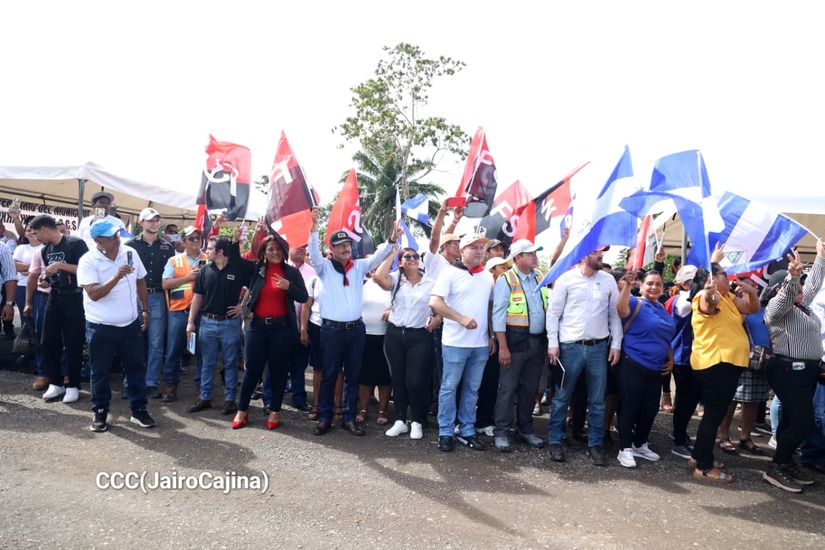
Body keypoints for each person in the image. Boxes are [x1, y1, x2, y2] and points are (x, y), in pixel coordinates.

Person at [307, 208, 398, 436]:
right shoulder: (324, 267)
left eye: (348, 244)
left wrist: (391, 240)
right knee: (329, 374)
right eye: (340, 245)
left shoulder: (359, 266)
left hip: (356, 330)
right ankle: (325, 417)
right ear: (332, 249)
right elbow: (314, 253)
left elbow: (378, 256)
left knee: (353, 375)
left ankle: (349, 418)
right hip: (332, 331)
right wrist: (314, 227)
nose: (346, 248)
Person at [545, 248, 622, 466]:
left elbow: (614, 314)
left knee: (597, 400)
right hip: (569, 347)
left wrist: (616, 344)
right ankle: (555, 440)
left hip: (598, 348)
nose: (601, 256)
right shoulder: (566, 279)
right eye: (596, 252)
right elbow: (553, 313)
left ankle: (595, 444)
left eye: (602, 253)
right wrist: (553, 343)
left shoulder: (608, 280)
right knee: (562, 397)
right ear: (583, 255)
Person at [77, 219, 155, 431]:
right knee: (99, 371)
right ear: (97, 240)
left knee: (136, 369)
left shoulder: (129, 252)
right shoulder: (88, 261)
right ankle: (100, 411)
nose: (116, 239)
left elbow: (140, 280)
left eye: (117, 234)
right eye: (111, 237)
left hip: (130, 324)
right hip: (101, 326)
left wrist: (145, 309)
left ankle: (139, 410)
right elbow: (94, 294)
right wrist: (116, 276)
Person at [762, 243, 825, 492]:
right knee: (803, 422)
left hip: (805, 372)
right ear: (780, 289)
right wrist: (793, 276)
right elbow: (788, 295)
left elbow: (813, 286)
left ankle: (786, 462)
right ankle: (776, 466)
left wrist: (820, 257)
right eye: (796, 287)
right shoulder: (777, 309)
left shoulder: (802, 306)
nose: (801, 291)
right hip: (788, 371)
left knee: (791, 419)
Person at [689, 262, 759, 484]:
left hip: (726, 365)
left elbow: (751, 308)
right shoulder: (704, 296)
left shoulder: (728, 297)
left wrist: (751, 293)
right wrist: (709, 291)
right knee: (714, 415)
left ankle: (698, 456)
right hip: (717, 364)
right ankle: (703, 467)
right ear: (710, 280)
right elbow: (708, 302)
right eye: (723, 275)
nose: (728, 278)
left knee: (714, 414)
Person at [232, 233, 308, 430]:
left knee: (278, 370)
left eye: (278, 249)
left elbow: (303, 296)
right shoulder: (256, 269)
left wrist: (288, 286)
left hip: (282, 329)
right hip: (257, 327)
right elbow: (235, 261)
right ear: (264, 252)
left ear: (284, 251)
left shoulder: (291, 272)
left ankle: (275, 410)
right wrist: (235, 240)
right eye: (270, 249)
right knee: (252, 370)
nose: (275, 253)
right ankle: (242, 410)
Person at [429, 233, 495, 453]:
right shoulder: (449, 273)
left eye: (481, 248)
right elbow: (435, 302)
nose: (479, 251)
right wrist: (460, 318)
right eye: (473, 247)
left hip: (480, 344)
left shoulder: (487, 276)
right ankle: (446, 432)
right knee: (449, 387)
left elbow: (489, 308)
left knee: (472, 389)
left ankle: (467, 430)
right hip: (455, 343)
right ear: (462, 251)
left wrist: (491, 336)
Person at [373, 247, 439, 439]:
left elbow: (439, 306)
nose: (412, 259)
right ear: (400, 262)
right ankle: (401, 420)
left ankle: (417, 420)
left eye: (415, 256)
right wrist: (392, 253)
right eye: (407, 257)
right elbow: (379, 277)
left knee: (416, 381)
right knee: (398, 379)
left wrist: (438, 318)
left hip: (419, 336)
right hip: (395, 335)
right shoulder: (396, 279)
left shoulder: (431, 282)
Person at [186, 236, 256, 415]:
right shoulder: (204, 270)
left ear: (220, 252)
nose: (206, 251)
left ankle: (230, 400)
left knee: (230, 362)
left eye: (210, 248)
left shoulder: (237, 269)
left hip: (229, 323)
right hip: (207, 322)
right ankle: (204, 397)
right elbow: (198, 296)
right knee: (206, 362)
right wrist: (191, 322)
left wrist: (243, 306)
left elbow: (253, 286)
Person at [614, 270, 675, 468]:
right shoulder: (635, 302)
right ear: (641, 286)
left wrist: (670, 357)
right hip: (633, 362)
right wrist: (627, 286)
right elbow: (621, 310)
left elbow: (665, 336)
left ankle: (640, 444)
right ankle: (624, 449)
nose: (654, 287)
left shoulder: (661, 308)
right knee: (630, 406)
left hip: (656, 367)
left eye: (658, 284)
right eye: (649, 283)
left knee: (650, 409)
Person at [491, 239, 548, 452]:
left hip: (537, 342)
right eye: (530, 253)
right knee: (507, 388)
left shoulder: (539, 276)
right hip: (514, 343)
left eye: (535, 253)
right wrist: (503, 347)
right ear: (518, 257)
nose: (535, 257)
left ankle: (525, 429)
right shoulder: (506, 279)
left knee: (530, 388)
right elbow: (498, 315)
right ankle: (502, 431)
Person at [25, 214, 88, 403]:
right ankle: (56, 382)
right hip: (54, 296)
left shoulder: (75, 243)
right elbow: (50, 275)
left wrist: (60, 265)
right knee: (48, 340)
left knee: (73, 342)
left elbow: (86, 269)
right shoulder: (45, 250)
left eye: (36, 233)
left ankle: (73, 384)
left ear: (44, 229)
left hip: (75, 297)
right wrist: (46, 280)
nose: (36, 238)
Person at [717, 277, 772, 457]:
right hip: (738, 357)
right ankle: (724, 436)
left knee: (753, 401)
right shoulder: (733, 306)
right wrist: (740, 304)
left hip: (760, 360)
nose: (748, 287)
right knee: (731, 399)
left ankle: (745, 437)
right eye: (742, 285)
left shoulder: (762, 308)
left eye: (751, 285)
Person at [126, 208, 175, 399]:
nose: (154, 223)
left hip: (158, 296)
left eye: (157, 220)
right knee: (132, 341)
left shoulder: (167, 246)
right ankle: (130, 381)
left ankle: (151, 382)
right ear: (141, 223)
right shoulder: (130, 245)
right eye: (150, 220)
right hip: (133, 296)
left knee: (156, 343)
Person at [161, 225, 206, 402]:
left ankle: (201, 387)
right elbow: (165, 284)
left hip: (203, 312)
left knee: (203, 352)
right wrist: (189, 277)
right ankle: (171, 386)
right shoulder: (174, 260)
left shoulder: (209, 259)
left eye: (198, 238)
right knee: (173, 350)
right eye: (192, 238)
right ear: (183, 242)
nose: (196, 241)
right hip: (178, 311)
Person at [668, 265, 703, 460]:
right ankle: (679, 441)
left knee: (688, 398)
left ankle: (679, 432)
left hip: (691, 355)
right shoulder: (683, 300)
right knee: (687, 399)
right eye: (694, 281)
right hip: (682, 355)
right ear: (683, 284)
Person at [475, 256, 512, 436]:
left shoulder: (510, 285)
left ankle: (484, 420)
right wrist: (491, 336)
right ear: (491, 270)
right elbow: (490, 314)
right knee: (479, 381)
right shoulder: (487, 287)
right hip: (485, 339)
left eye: (507, 266)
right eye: (502, 267)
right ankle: (470, 420)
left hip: (503, 339)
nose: (506, 270)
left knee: (492, 381)